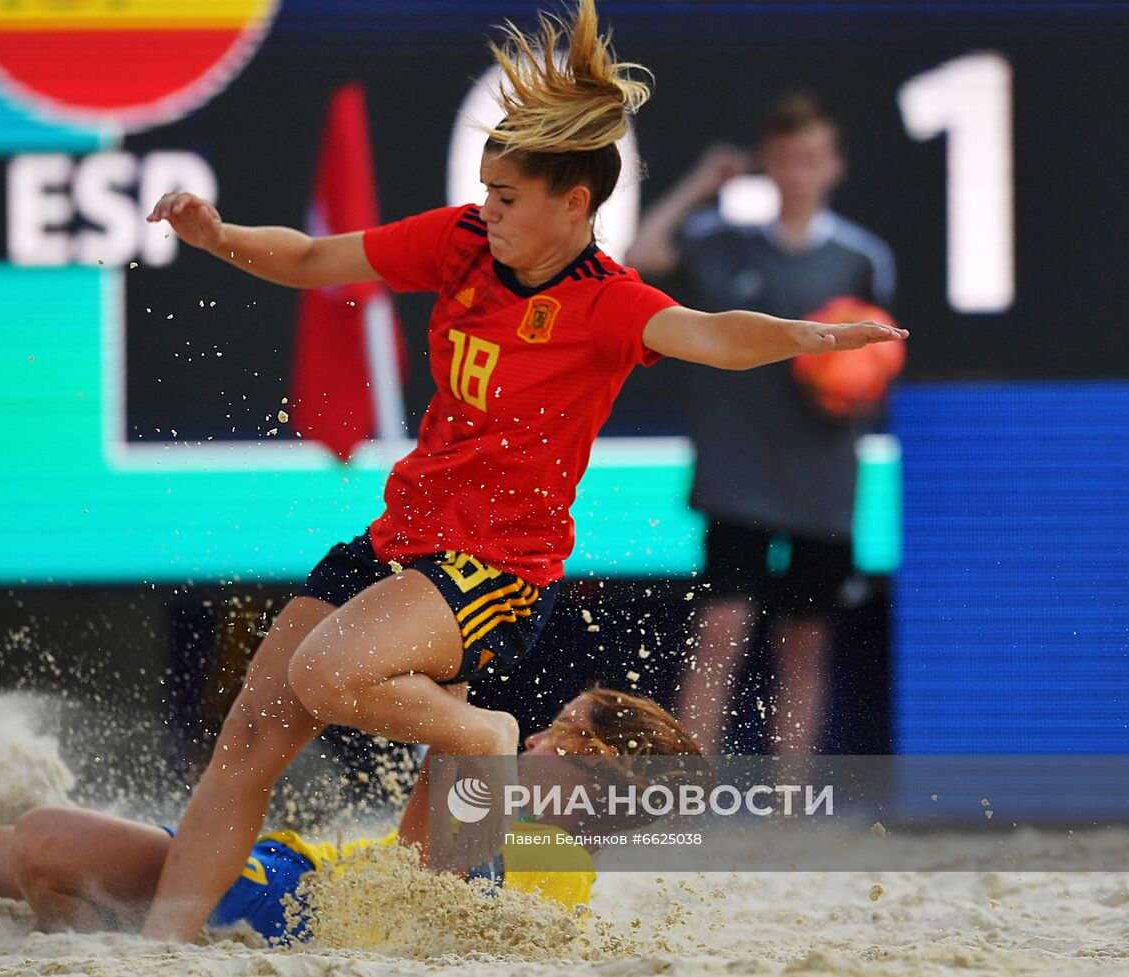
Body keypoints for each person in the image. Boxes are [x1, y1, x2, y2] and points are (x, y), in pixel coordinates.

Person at [138, 1, 905, 942]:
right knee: (251, 736)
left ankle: (484, 737)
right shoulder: (463, 243)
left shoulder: (608, 304)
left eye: (507, 194)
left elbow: (709, 335)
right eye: (486, 188)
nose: (488, 207)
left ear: (574, 203)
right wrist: (218, 237)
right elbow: (312, 257)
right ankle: (160, 945)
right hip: (402, 535)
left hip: (499, 568)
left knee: (328, 671)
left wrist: (810, 335)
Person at [0, 689, 703, 954]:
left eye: (558, 730)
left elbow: (423, 856)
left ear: (586, 766)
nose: (534, 731)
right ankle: (76, 931)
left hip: (284, 909)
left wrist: (454, 724)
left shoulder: (549, 854)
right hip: (284, 884)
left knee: (34, 837)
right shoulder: (556, 862)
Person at [626, 94, 898, 756]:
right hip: (738, 476)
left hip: (822, 479)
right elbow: (640, 252)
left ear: (831, 165)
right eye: (783, 160)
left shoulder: (861, 259)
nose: (796, 173)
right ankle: (689, 794)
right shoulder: (724, 244)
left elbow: (880, 358)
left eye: (809, 159)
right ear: (766, 166)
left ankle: (789, 806)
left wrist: (848, 388)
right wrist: (701, 183)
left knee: (804, 643)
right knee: (719, 632)